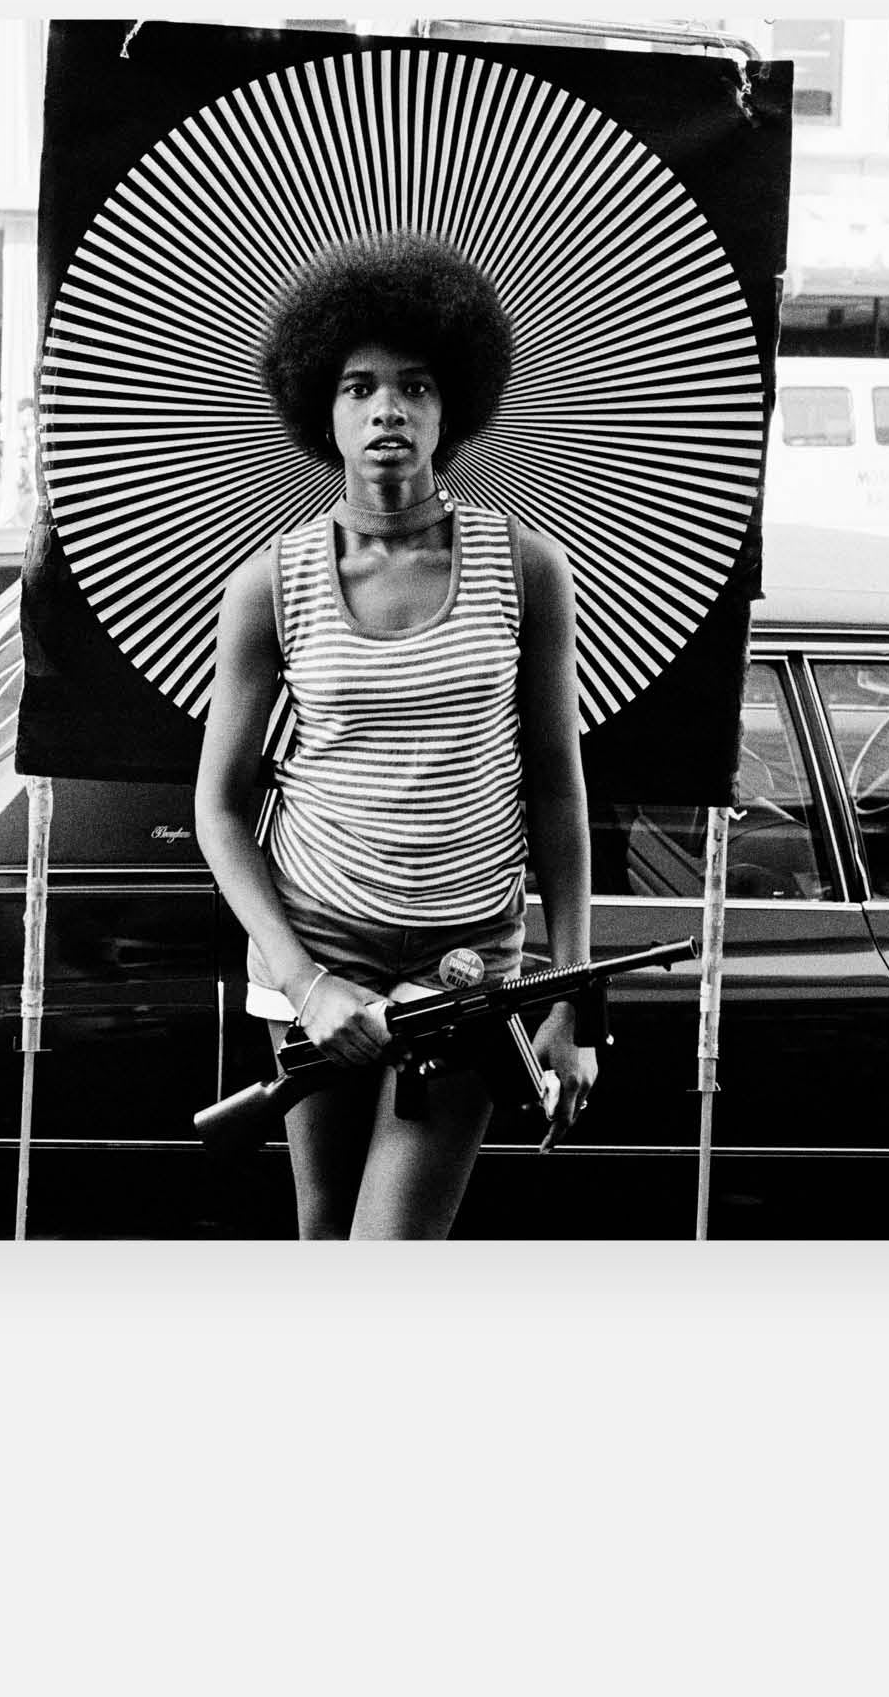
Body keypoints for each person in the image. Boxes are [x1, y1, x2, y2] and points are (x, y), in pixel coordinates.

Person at [193, 238, 594, 1241]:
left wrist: (576, 1001)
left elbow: (556, 789)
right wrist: (304, 981)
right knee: (326, 1241)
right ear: (320, 413)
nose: (388, 409)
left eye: (415, 386)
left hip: (465, 972)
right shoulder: (268, 585)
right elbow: (218, 809)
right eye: (359, 385)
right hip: (316, 951)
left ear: (451, 406)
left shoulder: (528, 569)